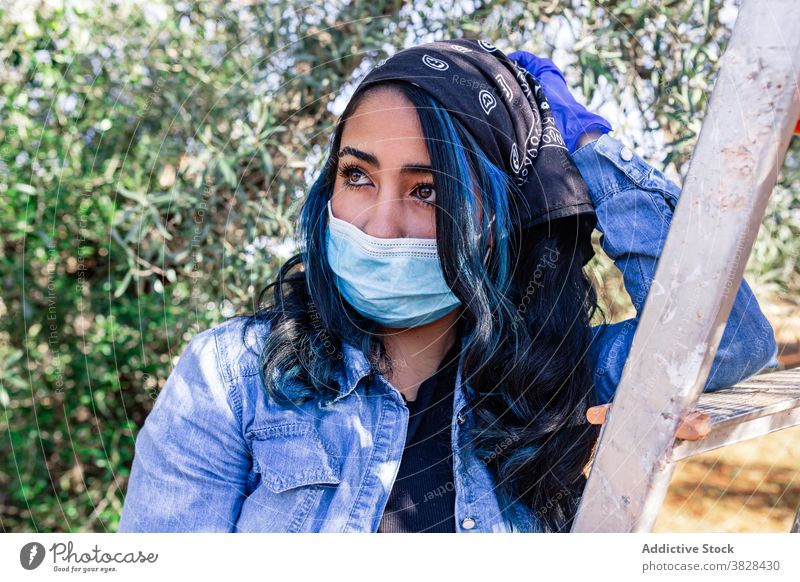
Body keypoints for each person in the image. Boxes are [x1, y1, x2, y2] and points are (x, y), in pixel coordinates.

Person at [118, 39, 779, 533]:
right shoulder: (230, 378)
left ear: (498, 216)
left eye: (428, 190)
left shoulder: (555, 377)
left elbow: (729, 343)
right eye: (357, 176)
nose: (380, 223)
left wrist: (590, 152)